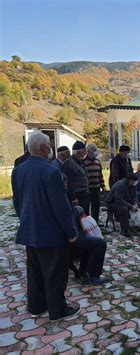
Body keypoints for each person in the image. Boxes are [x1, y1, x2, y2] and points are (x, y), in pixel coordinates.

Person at [12, 132, 80, 321]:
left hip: (29, 232)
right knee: (55, 274)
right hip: (51, 234)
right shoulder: (51, 171)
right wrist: (71, 231)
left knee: (35, 272)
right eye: (49, 145)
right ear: (43, 148)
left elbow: (17, 202)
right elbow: (61, 206)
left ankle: (36, 307)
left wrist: (25, 221)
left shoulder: (18, 170)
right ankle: (58, 311)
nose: (51, 148)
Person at [69, 206, 109, 285]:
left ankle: (83, 272)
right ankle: (94, 275)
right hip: (70, 238)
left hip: (70, 235)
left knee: (89, 240)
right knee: (100, 243)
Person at [105, 173, 139, 238]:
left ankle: (136, 225)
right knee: (124, 209)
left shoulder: (133, 185)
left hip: (125, 201)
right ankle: (125, 230)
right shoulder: (120, 185)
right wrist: (131, 206)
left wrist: (135, 203)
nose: (135, 183)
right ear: (129, 180)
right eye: (133, 182)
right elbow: (119, 201)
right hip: (112, 203)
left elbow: (135, 196)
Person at [62, 141, 90, 213]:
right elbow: (69, 182)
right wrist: (73, 197)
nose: (85, 153)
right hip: (78, 195)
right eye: (84, 151)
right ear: (78, 152)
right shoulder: (70, 163)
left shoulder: (79, 162)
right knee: (79, 216)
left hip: (84, 193)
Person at [83, 144, 106, 224]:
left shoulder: (97, 162)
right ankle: (86, 224)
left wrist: (103, 186)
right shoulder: (84, 162)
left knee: (96, 206)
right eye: (94, 150)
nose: (96, 152)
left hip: (96, 187)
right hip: (87, 188)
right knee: (86, 207)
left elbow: (100, 175)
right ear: (88, 151)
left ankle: (95, 222)